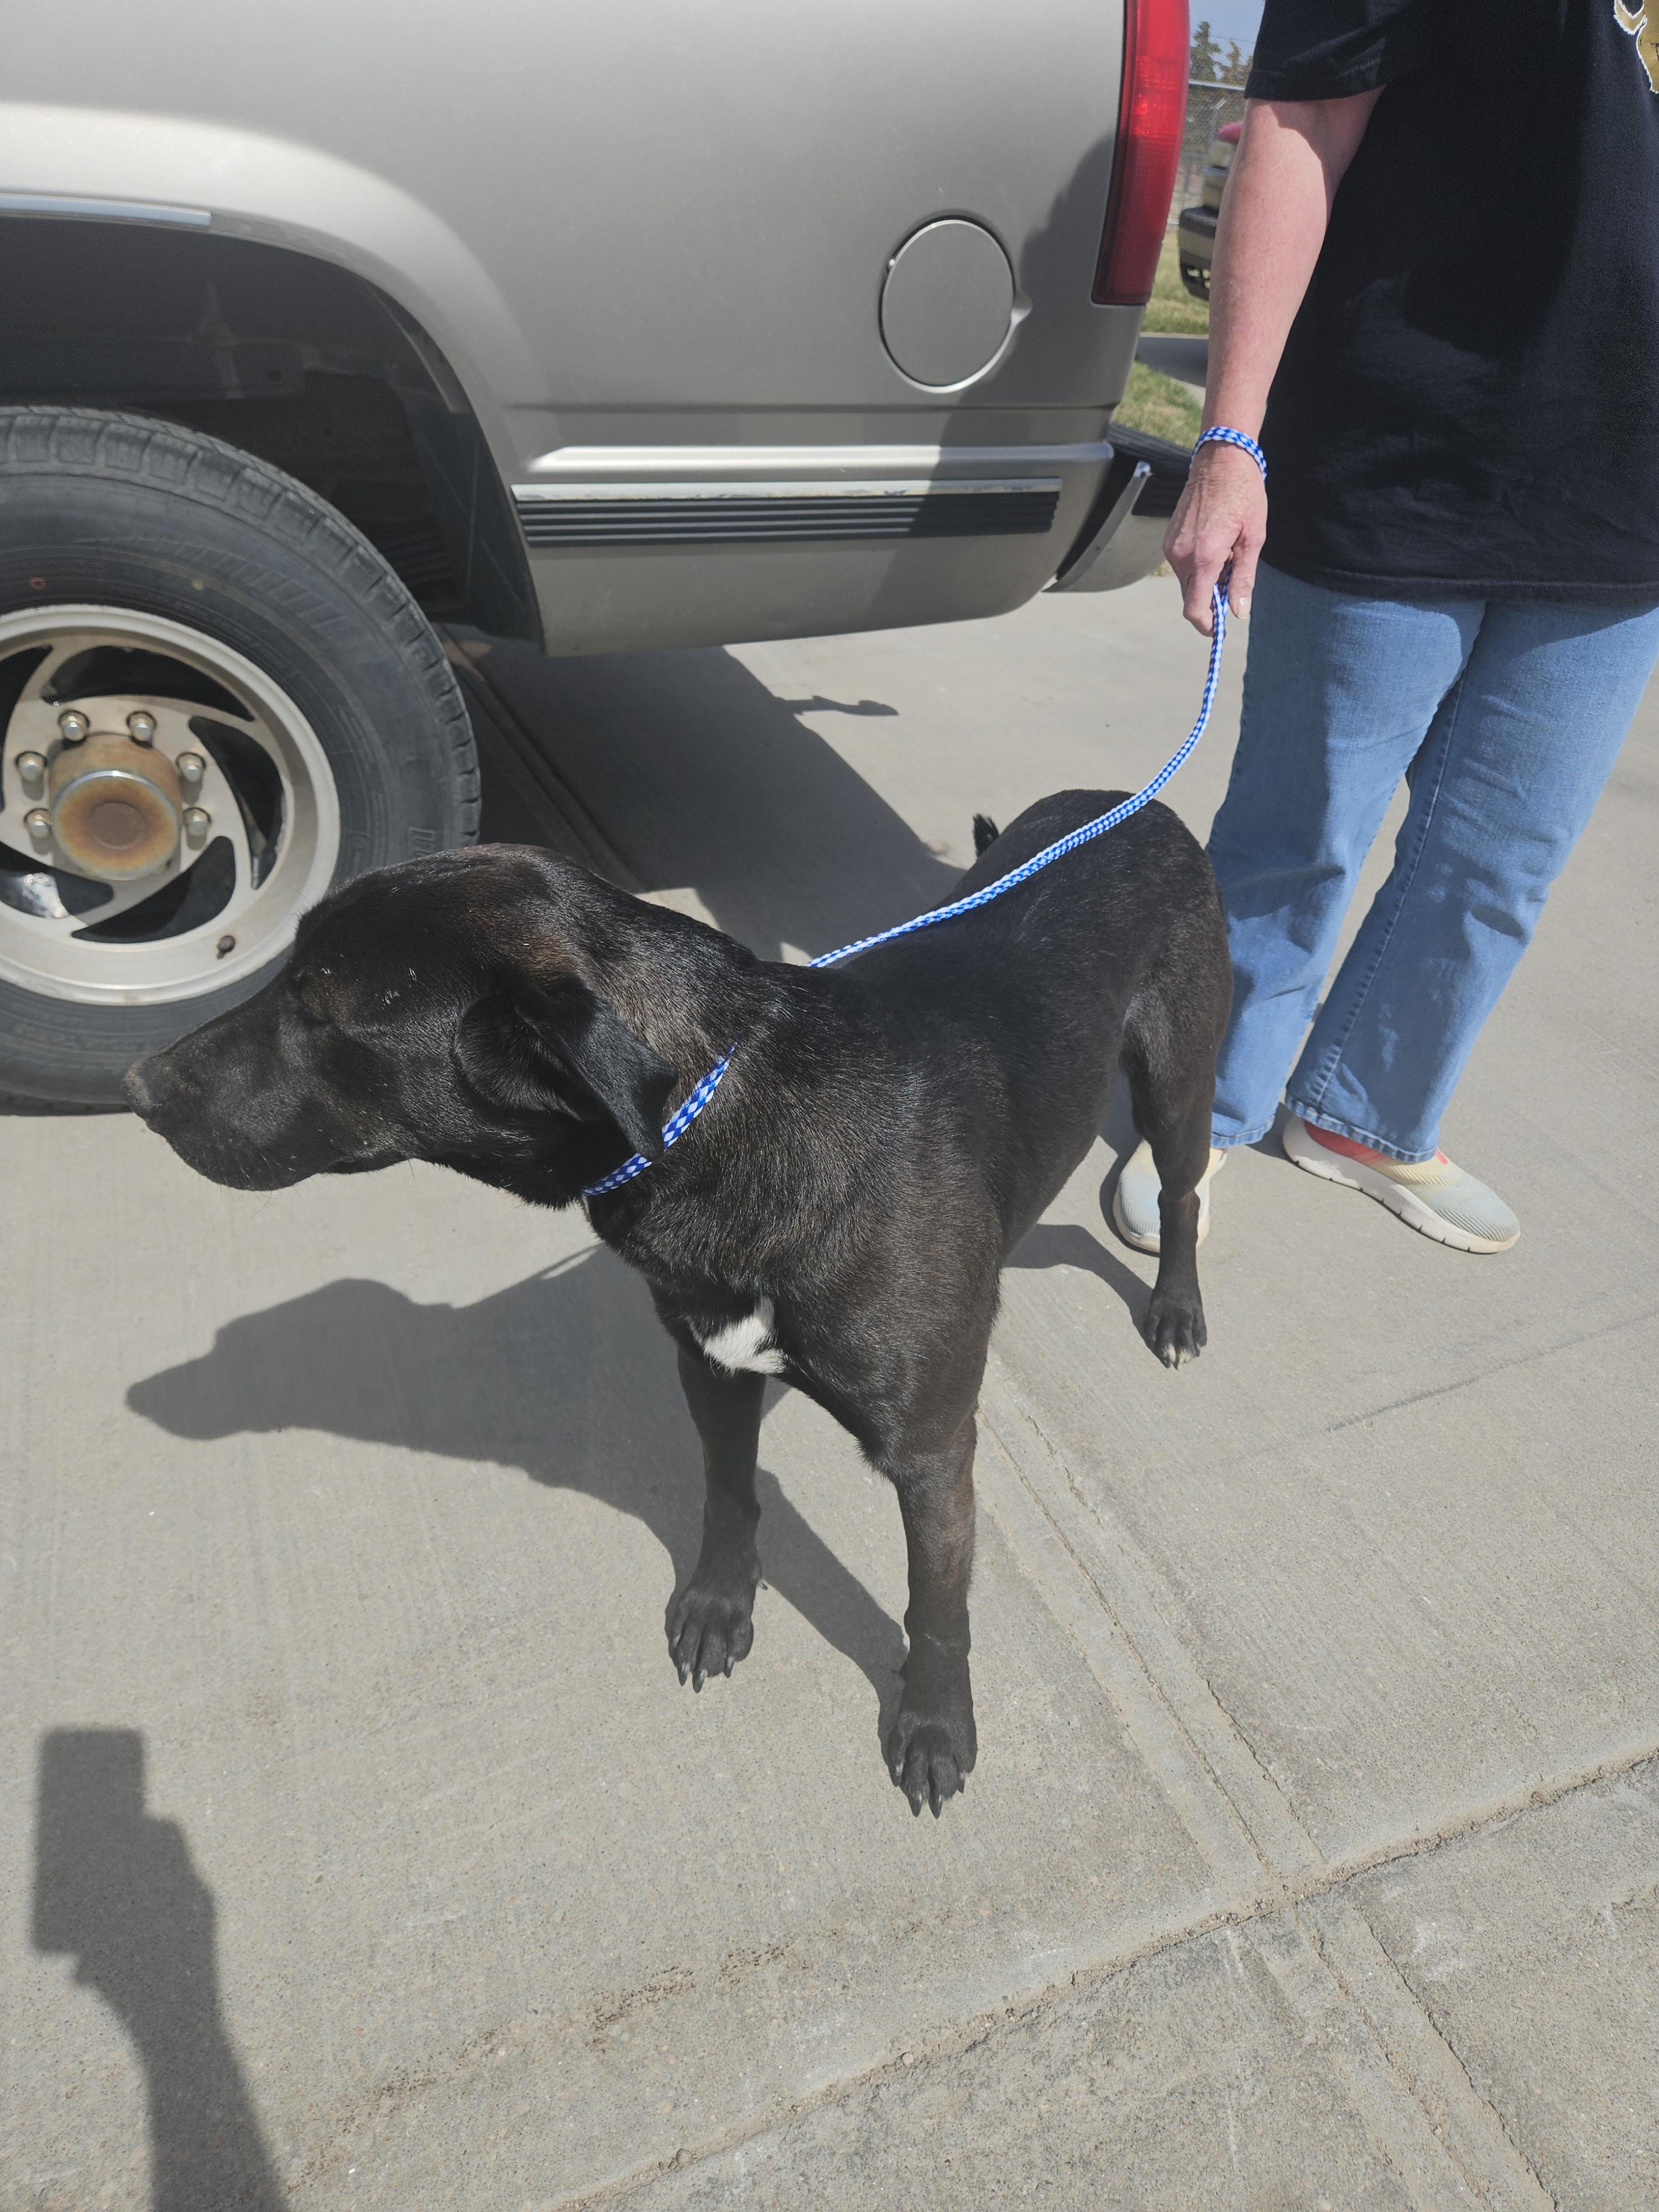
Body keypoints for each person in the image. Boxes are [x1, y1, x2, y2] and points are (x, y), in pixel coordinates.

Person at [1114, 0, 1659, 1258]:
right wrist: (1232, 438)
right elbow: (1299, 124)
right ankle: (1205, 1110)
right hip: (1401, 444)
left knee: (1500, 862)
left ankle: (1363, 1112)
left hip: (1623, 487)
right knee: (1298, 836)